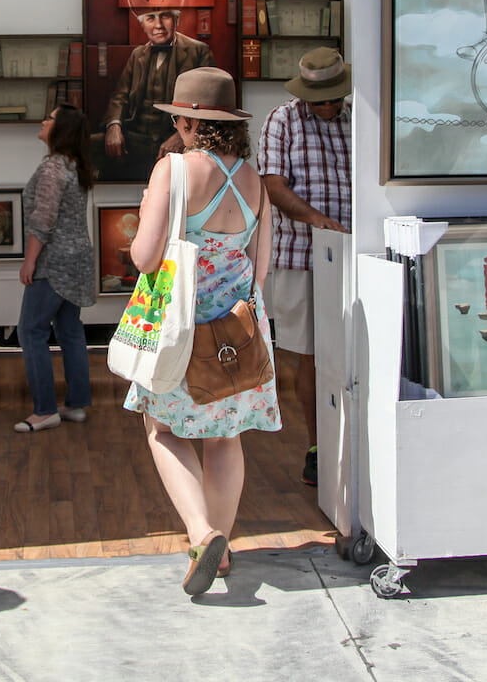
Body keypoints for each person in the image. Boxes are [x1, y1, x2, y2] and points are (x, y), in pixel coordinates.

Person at [125, 67, 279, 596]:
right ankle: (225, 548)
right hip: (235, 334)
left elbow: (145, 258)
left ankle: (200, 532)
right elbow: (259, 271)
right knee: (225, 438)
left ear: (188, 121)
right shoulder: (255, 181)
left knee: (162, 429)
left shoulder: (173, 170)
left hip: (181, 332)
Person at [258, 47, 352, 488]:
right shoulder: (283, 120)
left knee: (356, 352)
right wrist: (317, 220)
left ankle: (355, 440)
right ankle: (318, 445)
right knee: (312, 356)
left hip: (358, 253)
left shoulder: (358, 118)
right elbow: (272, 185)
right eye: (321, 100)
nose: (329, 107)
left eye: (334, 98)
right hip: (302, 254)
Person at [14, 105, 97, 432]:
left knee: (30, 330)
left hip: (55, 263)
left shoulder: (52, 168)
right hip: (79, 261)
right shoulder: (76, 166)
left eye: (49, 118)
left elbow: (43, 220)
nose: (43, 121)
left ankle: (45, 410)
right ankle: (75, 404)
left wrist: (30, 260)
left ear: (59, 129)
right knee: (70, 331)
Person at [97, 0, 214, 181]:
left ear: (176, 20)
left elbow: (209, 103)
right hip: (137, 140)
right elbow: (120, 97)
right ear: (143, 24)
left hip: (175, 142)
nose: (158, 25)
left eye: (165, 17)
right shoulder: (137, 55)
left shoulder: (198, 51)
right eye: (151, 18)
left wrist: (181, 135)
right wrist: (114, 125)